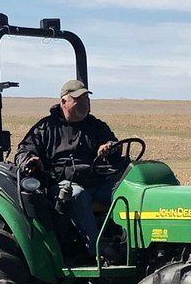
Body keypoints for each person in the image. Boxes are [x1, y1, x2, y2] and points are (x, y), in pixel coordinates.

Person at [14, 79, 121, 256]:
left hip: (97, 181)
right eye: (78, 99)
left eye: (87, 99)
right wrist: (30, 160)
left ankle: (129, 244)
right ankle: (97, 250)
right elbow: (23, 151)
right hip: (62, 183)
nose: (85, 104)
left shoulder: (96, 126)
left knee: (124, 193)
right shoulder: (46, 127)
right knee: (77, 194)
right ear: (64, 101)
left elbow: (115, 148)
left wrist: (110, 148)